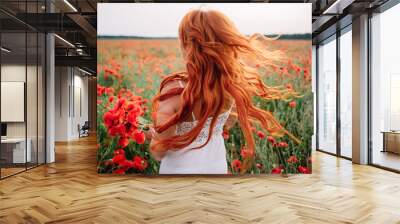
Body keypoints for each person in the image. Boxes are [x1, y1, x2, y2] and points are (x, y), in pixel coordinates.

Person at [146, 8, 298, 174]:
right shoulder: (230, 85)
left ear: (187, 44)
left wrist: (154, 136)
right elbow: (226, 125)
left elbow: (158, 152)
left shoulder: (174, 90)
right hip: (216, 169)